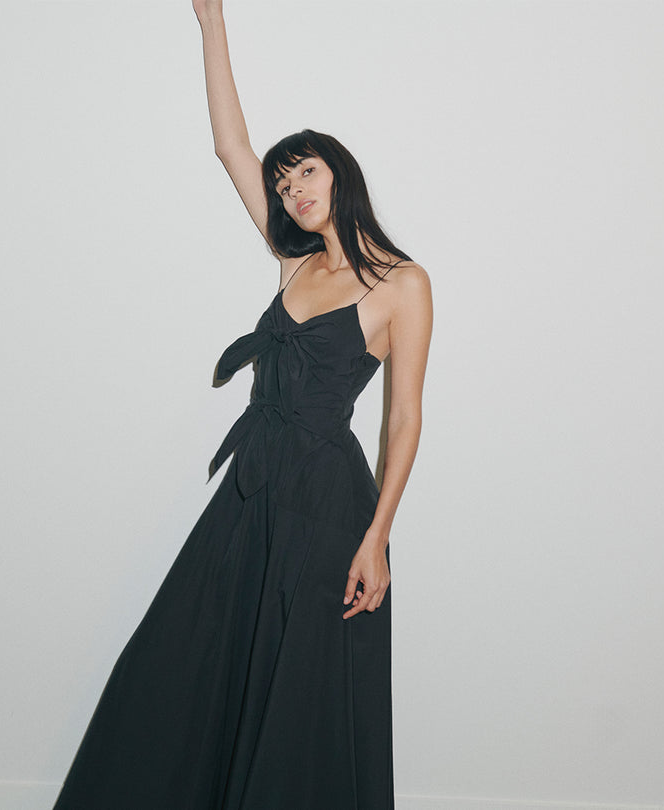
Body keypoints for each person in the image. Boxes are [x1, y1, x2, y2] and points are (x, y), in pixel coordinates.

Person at [52, 2, 432, 807]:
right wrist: (210, 20)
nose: (294, 189)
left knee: (299, 706)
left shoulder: (403, 284)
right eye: (286, 181)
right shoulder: (291, 261)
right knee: (179, 665)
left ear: (342, 174)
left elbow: (403, 419)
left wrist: (378, 539)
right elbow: (231, 146)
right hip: (252, 496)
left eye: (308, 173)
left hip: (328, 510)